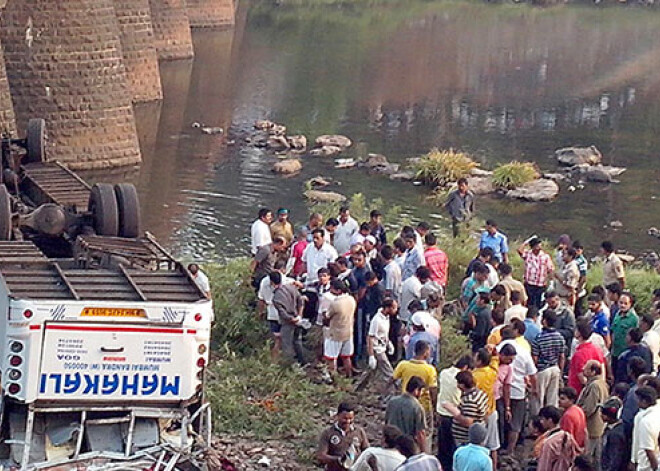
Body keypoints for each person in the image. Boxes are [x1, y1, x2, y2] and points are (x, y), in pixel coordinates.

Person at [392, 342, 438, 451]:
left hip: (404, 403)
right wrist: (434, 407)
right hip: (424, 405)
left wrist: (396, 391)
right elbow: (433, 390)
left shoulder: (403, 365)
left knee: (403, 430)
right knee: (424, 433)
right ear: (426, 353)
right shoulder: (429, 369)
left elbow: (392, 379)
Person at [498, 329, 538, 454]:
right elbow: (532, 374)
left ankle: (499, 447)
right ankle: (510, 450)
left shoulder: (497, 349)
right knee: (515, 424)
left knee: (501, 420)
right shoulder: (524, 351)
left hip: (499, 393)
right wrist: (534, 389)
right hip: (518, 392)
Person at [436, 355, 475, 471]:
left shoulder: (443, 373)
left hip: (441, 413)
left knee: (443, 446)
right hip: (455, 415)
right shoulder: (461, 381)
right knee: (454, 447)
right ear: (466, 367)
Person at [358, 299, 398, 392]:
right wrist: (371, 355)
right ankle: (391, 392)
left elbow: (383, 334)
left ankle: (358, 388)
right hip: (377, 349)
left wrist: (388, 343)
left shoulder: (386, 317)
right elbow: (370, 337)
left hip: (382, 346)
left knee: (370, 371)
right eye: (394, 308)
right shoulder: (376, 320)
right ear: (387, 308)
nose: (396, 310)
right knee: (389, 372)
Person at [531, 310, 566, 415]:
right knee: (552, 397)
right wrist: (560, 370)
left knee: (538, 399)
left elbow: (535, 358)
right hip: (555, 368)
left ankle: (538, 420)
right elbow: (562, 356)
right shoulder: (559, 337)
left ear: (544, 321)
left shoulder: (539, 338)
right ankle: (552, 419)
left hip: (543, 370)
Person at [258, 266, 296, 361]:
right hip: (284, 313)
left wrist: (260, 312)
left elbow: (261, 299)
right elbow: (296, 286)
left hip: (271, 313)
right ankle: (283, 360)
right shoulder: (284, 280)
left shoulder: (264, 282)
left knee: (277, 338)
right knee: (285, 339)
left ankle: (275, 360)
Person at [443, 370, 489, 448]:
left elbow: (468, 422)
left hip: (465, 439)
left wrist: (453, 411)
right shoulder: (480, 393)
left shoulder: (470, 400)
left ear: (462, 385)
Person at [317, 402, 369, 470]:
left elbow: (367, 452)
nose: (348, 421)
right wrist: (339, 460)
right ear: (338, 416)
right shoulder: (328, 433)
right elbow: (321, 456)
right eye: (345, 418)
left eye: (350, 418)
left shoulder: (359, 431)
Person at [472, 348, 500, 468]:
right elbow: (495, 361)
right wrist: (494, 354)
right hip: (492, 411)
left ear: (479, 361)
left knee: (478, 445)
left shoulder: (473, 376)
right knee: (493, 445)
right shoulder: (492, 372)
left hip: (479, 413)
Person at [576, 360, 608, 461]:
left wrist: (578, 417)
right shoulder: (601, 383)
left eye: (586, 368)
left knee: (589, 456)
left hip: (592, 426)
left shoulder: (594, 386)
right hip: (598, 426)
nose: (583, 369)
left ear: (593, 372)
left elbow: (589, 407)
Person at [385, 376, 428, 453]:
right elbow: (420, 434)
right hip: (407, 448)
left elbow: (386, 424)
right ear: (416, 390)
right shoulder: (417, 407)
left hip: (391, 445)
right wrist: (424, 453)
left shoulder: (392, 401)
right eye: (421, 391)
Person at [272, 274, 305, 366]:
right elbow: (301, 301)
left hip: (288, 323)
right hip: (298, 320)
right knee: (298, 342)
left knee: (287, 345)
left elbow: (283, 314)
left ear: (272, 282)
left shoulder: (276, 297)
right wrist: (299, 316)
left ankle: (290, 365)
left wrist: (292, 319)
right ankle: (302, 362)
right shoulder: (291, 288)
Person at [537, 406, 581, 471]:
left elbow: (544, 467)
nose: (541, 422)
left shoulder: (549, 443)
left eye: (542, 419)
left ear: (550, 420)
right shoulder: (567, 436)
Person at [568, 320, 606, 394]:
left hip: (578, 390)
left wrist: (589, 388)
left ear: (579, 333)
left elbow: (581, 377)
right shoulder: (597, 350)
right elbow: (603, 370)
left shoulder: (579, 354)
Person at [517, 237, 554, 308]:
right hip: (529, 284)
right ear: (532, 247)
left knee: (538, 304)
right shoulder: (528, 254)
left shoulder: (545, 257)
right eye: (537, 245)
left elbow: (550, 269)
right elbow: (519, 250)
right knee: (529, 303)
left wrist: (551, 282)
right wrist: (527, 241)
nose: (539, 247)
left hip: (540, 285)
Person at [631, 386, 660, 471]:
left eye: (638, 399)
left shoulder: (645, 421)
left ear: (644, 401)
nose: (636, 402)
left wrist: (656, 468)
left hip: (646, 466)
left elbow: (648, 450)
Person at [610, 292, 639, 377]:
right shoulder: (617, 314)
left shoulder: (634, 319)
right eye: (621, 302)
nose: (622, 305)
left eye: (625, 303)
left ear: (630, 304)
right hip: (615, 352)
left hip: (625, 353)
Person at [541, 291, 576, 358]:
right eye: (548, 303)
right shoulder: (547, 310)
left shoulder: (567, 313)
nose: (550, 305)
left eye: (552, 302)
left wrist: (554, 332)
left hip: (563, 346)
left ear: (558, 299)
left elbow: (571, 331)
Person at [494, 343, 516, 449]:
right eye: (509, 359)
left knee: (500, 423)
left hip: (498, 398)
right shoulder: (492, 362)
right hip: (485, 397)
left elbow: (506, 388)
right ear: (501, 355)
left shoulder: (508, 368)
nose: (510, 362)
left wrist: (507, 407)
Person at [599, 397, 628, 471]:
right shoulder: (615, 427)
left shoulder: (615, 434)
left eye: (603, 413)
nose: (600, 415)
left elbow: (614, 459)